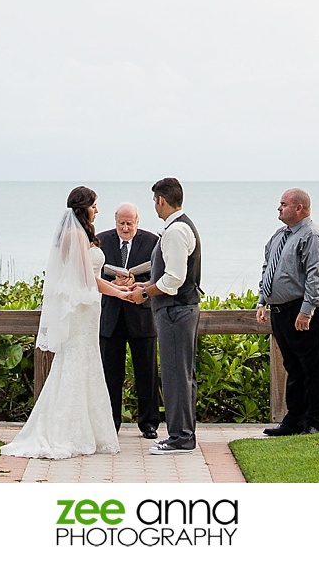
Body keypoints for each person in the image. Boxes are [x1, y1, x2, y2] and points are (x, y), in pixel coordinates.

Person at [2, 186, 133, 460]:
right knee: (75, 364)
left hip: (88, 307)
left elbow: (91, 272)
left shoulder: (81, 234)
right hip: (82, 309)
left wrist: (115, 282)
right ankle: (65, 432)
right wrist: (120, 292)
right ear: (83, 206)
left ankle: (88, 431)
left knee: (86, 364)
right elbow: (87, 278)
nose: (97, 210)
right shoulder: (74, 234)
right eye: (94, 205)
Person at [128, 177, 202, 453]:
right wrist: (145, 285)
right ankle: (183, 434)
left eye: (154, 201)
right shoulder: (181, 227)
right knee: (182, 374)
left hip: (175, 311)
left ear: (161, 199)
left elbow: (174, 279)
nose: (155, 207)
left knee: (175, 375)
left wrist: (145, 293)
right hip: (181, 310)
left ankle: (180, 437)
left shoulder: (175, 231)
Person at [255, 187, 319, 436]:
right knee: (294, 366)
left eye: (283, 204)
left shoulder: (312, 235)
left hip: (305, 310)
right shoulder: (280, 235)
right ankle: (294, 419)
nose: (279, 208)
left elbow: (316, 275)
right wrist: (262, 301)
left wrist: (307, 310)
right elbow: (268, 267)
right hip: (281, 311)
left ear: (299, 208)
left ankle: (315, 422)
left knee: (314, 367)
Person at [98, 202, 161, 438]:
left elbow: (158, 273)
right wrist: (114, 283)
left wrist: (137, 280)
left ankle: (149, 423)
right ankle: (110, 423)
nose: (125, 228)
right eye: (121, 224)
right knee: (110, 374)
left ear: (137, 222)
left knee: (146, 372)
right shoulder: (101, 240)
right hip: (111, 315)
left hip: (141, 314)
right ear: (115, 223)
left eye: (129, 223)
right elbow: (94, 271)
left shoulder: (152, 241)